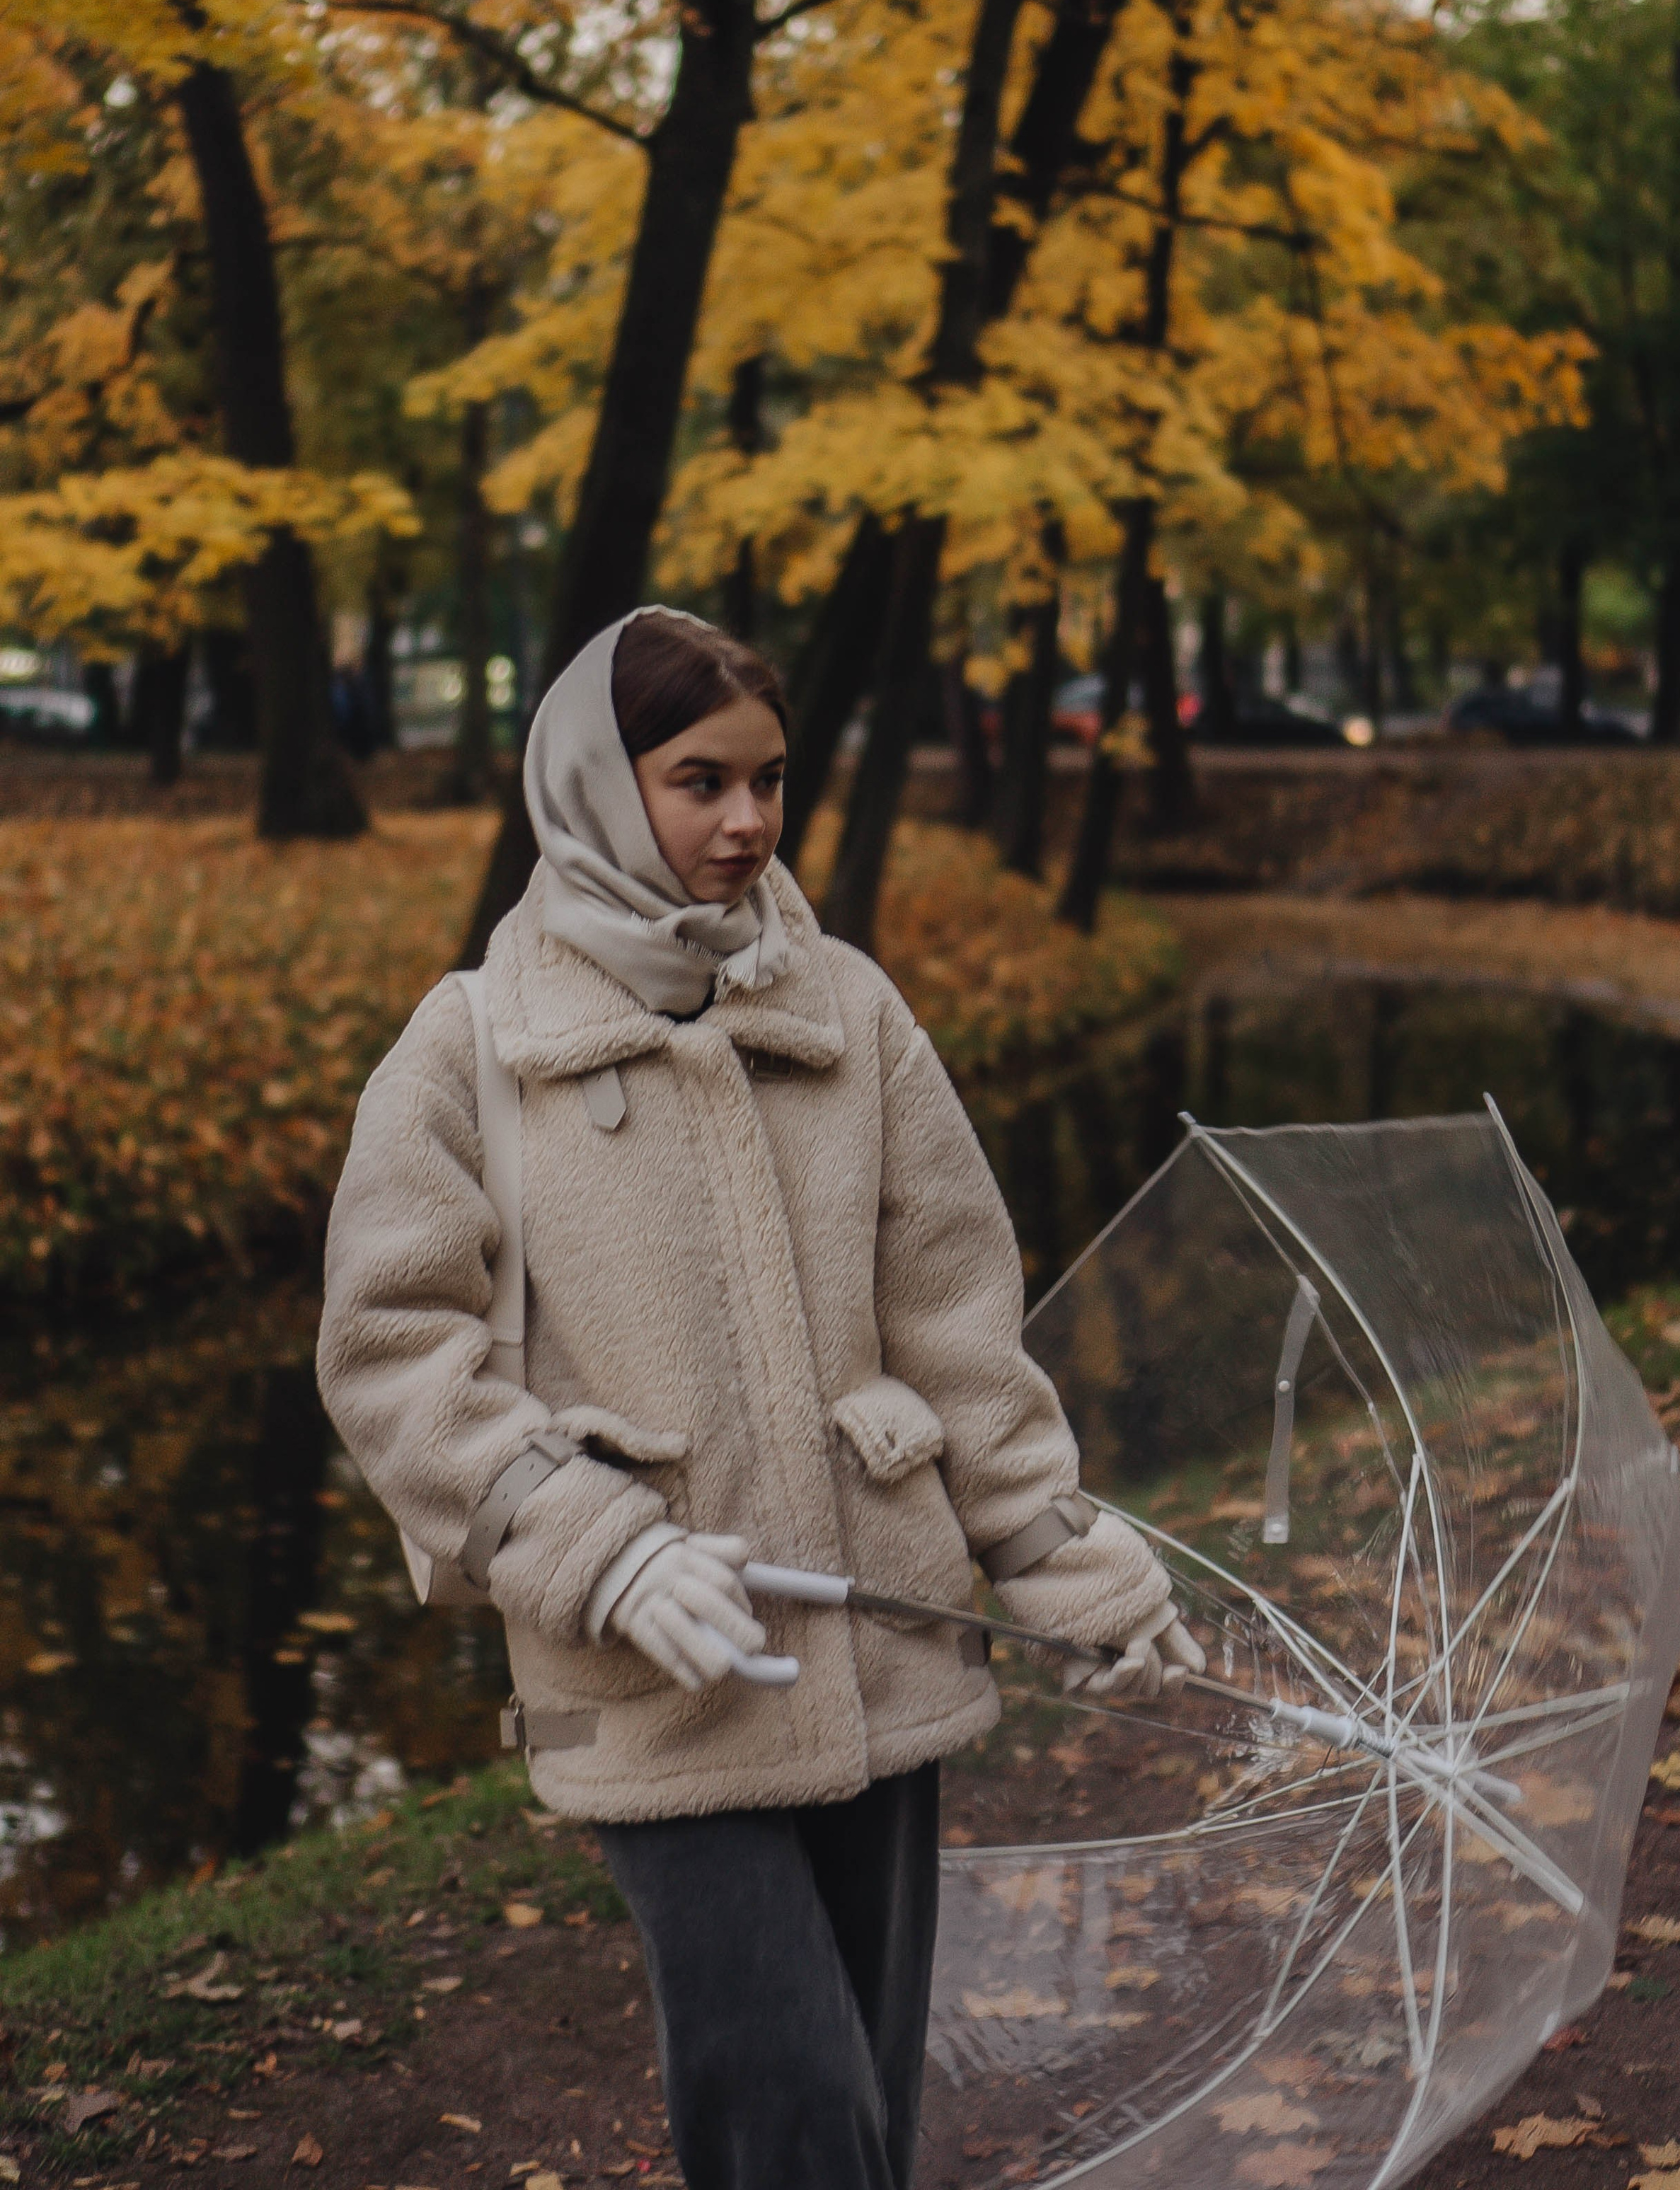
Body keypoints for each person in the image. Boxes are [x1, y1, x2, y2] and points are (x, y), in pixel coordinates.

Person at [316, 606, 1200, 2190]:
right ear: (595, 782)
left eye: (769, 781)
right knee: (784, 2099)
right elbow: (388, 1351)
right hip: (655, 1670)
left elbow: (954, 1319)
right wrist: (593, 1542)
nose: (743, 823)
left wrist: (1060, 1555)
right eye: (696, 780)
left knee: (863, 2084)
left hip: (886, 1645)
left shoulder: (848, 1012)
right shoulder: (473, 1047)